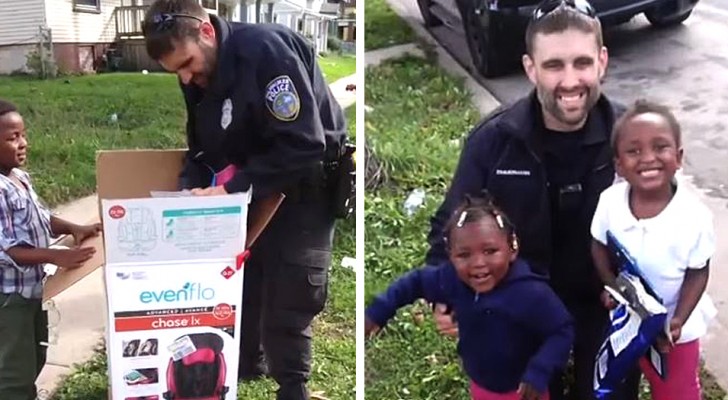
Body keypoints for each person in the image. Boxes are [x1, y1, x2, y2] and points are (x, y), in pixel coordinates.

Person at [424, 1, 640, 398]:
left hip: (606, 301)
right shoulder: (494, 140)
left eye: (582, 63)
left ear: (602, 62)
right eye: (554, 65)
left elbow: (669, 215)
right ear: (530, 69)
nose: (570, 80)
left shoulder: (629, 137)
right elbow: (449, 225)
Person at [141, 1, 350, 399]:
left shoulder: (265, 53)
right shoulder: (194, 75)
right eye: (177, 72)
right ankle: (243, 366)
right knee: (242, 281)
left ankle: (293, 386)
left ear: (206, 32)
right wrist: (192, 188)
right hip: (250, 183)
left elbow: (304, 146)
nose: (186, 77)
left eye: (187, 64)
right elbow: (200, 146)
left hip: (305, 186)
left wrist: (232, 189)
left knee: (289, 294)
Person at [366, 193, 574, 400]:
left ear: (512, 248)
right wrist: (380, 310)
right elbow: (415, 282)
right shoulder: (451, 279)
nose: (478, 263)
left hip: (524, 391)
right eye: (464, 255)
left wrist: (539, 370)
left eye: (490, 251)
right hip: (481, 385)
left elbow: (562, 329)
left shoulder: (531, 292)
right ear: (450, 255)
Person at [590, 100, 716, 400]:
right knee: (616, 379)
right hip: (626, 319)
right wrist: (611, 286)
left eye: (660, 147)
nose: (648, 158)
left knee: (676, 390)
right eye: (633, 151)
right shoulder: (609, 202)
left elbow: (698, 272)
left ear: (679, 156)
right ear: (619, 164)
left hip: (672, 333)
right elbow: (598, 244)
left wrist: (679, 320)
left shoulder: (694, 217)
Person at [0, 99, 101, 400]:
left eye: (23, 135)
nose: (23, 143)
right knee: (13, 373)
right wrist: (58, 256)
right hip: (9, 299)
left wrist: (73, 228)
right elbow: (5, 249)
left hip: (32, 292)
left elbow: (41, 218)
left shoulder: (18, 178)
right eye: (12, 138)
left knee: (34, 357)